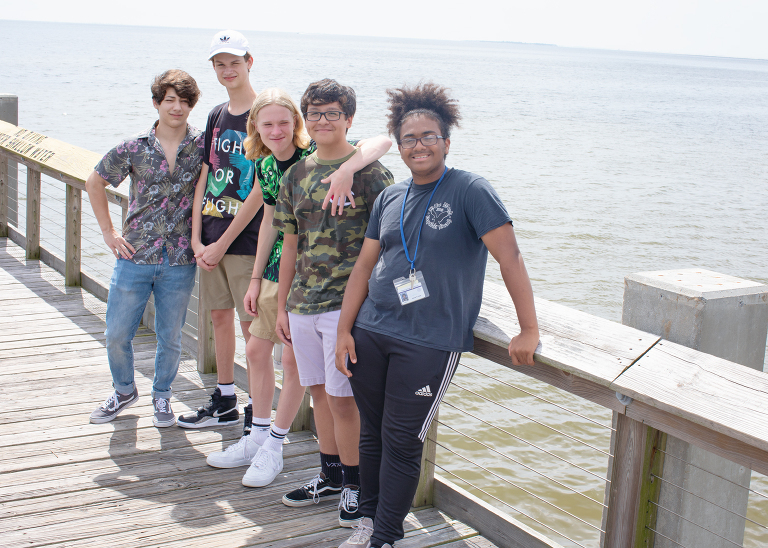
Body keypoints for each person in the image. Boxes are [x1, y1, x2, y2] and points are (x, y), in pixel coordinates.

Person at [335, 82, 540, 548]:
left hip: (429, 340)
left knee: (402, 439)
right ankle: (368, 523)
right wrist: (344, 330)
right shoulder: (391, 196)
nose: (419, 145)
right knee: (373, 434)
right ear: (399, 146)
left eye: (429, 136)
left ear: (447, 141)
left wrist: (528, 328)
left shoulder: (471, 190)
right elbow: (364, 266)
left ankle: (386, 536)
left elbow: (510, 258)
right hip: (371, 330)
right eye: (409, 138)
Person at [205, 88, 392, 490]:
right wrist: (264, 285)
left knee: (333, 392)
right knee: (303, 381)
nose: (276, 130)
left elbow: (382, 146)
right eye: (267, 124)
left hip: (338, 297)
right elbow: (278, 230)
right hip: (295, 288)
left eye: (283, 122)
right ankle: (310, 463)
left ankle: (340, 477)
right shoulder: (281, 170)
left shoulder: (355, 165)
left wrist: (347, 169)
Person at [273, 79, 394, 528]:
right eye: (315, 113)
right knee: (319, 395)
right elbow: (290, 243)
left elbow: (390, 239)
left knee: (345, 401)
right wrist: (282, 305)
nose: (323, 120)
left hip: (348, 307)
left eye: (332, 113)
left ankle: (356, 485)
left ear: (348, 119)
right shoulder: (296, 175)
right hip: (302, 303)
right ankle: (330, 475)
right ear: (306, 119)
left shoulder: (371, 173)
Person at [87, 70, 203, 428]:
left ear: (191, 106)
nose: (177, 107)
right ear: (156, 103)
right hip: (134, 254)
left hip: (180, 258)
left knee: (171, 337)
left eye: (184, 101)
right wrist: (108, 232)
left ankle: (162, 395)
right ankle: (124, 390)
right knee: (116, 333)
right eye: (170, 100)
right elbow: (95, 182)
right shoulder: (134, 147)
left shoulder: (203, 146)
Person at [179, 29, 262, 430]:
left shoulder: (264, 113)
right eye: (219, 64)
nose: (228, 70)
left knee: (252, 329)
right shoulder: (216, 114)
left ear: (249, 62)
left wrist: (222, 243)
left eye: (234, 62)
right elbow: (205, 176)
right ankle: (225, 399)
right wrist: (198, 239)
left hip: (246, 241)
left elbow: (262, 188)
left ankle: (256, 409)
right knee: (218, 318)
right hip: (210, 236)